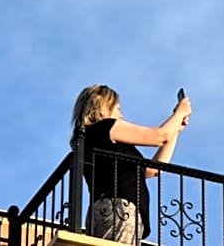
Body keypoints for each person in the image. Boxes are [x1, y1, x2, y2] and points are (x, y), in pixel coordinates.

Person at [71, 84, 192, 245]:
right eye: (117, 108)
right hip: (118, 210)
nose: (121, 115)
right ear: (102, 108)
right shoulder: (106, 127)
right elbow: (159, 136)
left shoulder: (97, 140)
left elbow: (153, 169)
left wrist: (175, 130)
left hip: (113, 210)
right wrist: (180, 112)